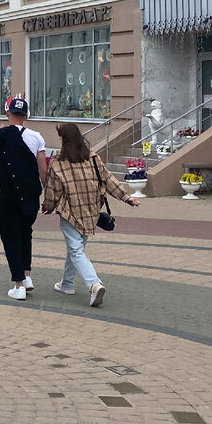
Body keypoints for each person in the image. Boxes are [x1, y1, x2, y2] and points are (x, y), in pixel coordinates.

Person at [42, 122, 138, 308]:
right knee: (76, 249)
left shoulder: (57, 161)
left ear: (63, 138)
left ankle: (94, 284)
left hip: (70, 211)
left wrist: (48, 206)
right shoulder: (93, 158)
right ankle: (67, 284)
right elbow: (109, 179)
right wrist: (127, 198)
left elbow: (53, 188)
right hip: (91, 210)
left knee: (76, 250)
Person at [0, 96, 48, 301]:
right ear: (27, 116)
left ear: (7, 113)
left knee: (10, 236)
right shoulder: (37, 137)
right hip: (31, 194)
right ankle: (27, 276)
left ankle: (19, 284)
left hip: (9, 194)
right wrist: (48, 193)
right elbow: (42, 169)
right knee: (25, 233)